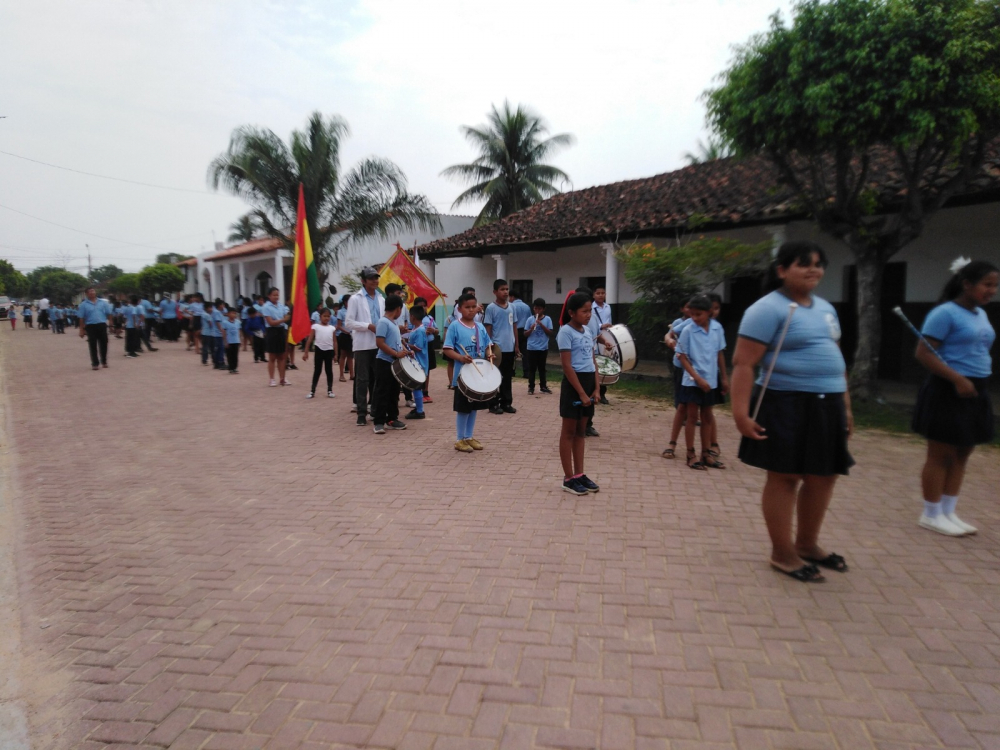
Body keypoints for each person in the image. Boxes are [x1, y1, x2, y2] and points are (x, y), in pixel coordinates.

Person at [732, 240, 853, 583]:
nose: (814, 270)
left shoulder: (827, 309)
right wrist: (740, 414)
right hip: (785, 402)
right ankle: (782, 553)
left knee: (824, 475)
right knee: (785, 477)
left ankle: (807, 543)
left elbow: (837, 358)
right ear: (782, 270)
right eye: (804, 264)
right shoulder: (766, 309)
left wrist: (845, 405)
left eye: (818, 263)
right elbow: (743, 364)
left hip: (827, 404)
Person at [911, 258, 998, 536]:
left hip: (976, 388)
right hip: (948, 389)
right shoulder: (944, 313)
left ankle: (948, 511)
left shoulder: (980, 314)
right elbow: (923, 353)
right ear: (966, 284)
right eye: (987, 284)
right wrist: (957, 379)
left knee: (963, 452)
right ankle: (931, 513)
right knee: (942, 454)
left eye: (995, 286)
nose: (992, 290)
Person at [675, 294, 729, 470]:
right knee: (692, 417)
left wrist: (724, 378)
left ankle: (706, 453)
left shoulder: (717, 329)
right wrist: (697, 378)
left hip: (711, 380)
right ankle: (690, 454)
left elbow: (720, 353)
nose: (695, 318)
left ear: (709, 313)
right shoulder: (688, 330)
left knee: (707, 416)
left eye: (699, 314)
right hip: (692, 381)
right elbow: (682, 357)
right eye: (692, 314)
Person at [557, 292, 601, 495]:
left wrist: (597, 388)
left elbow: (593, 361)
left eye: (590, 310)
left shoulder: (587, 331)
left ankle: (579, 474)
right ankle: (568, 478)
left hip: (588, 383)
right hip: (573, 387)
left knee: (581, 432)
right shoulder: (565, 332)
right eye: (584, 311)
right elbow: (567, 366)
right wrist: (582, 393)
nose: (588, 315)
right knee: (569, 432)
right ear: (572, 312)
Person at [444, 292, 492, 452]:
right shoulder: (454, 326)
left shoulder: (480, 327)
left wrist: (490, 353)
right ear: (459, 308)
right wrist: (460, 357)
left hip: (477, 374)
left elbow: (487, 345)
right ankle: (459, 439)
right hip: (462, 375)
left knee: (473, 407)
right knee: (463, 407)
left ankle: (469, 436)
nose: (471, 310)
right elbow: (447, 349)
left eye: (473, 307)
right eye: (467, 307)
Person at [345, 268, 385, 425]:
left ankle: (374, 409)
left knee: (377, 378)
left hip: (379, 343)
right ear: (363, 281)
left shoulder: (381, 299)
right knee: (362, 379)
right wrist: (368, 326)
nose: (375, 281)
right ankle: (361, 412)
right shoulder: (356, 299)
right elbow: (349, 322)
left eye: (376, 278)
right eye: (371, 278)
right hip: (362, 344)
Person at [371, 295, 409, 433]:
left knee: (393, 392)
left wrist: (405, 351)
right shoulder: (383, 322)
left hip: (395, 363)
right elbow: (380, 343)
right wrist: (396, 353)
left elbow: (397, 343)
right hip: (384, 362)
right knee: (382, 392)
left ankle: (392, 419)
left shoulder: (393, 324)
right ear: (398, 309)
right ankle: (379, 422)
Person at [483, 279, 518, 414]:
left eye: (507, 289)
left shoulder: (512, 307)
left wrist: (516, 346)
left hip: (509, 347)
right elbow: (488, 328)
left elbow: (514, 326)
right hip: (497, 348)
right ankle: (493, 403)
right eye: (502, 289)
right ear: (495, 292)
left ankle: (506, 402)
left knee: (507, 376)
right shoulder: (491, 308)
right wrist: (489, 347)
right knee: (495, 376)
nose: (505, 292)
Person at [303, 308, 337, 399]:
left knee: (329, 371)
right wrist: (306, 352)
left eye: (328, 316)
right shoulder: (315, 327)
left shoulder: (332, 328)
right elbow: (310, 339)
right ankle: (312, 391)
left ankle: (330, 390)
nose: (326, 318)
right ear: (320, 316)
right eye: (324, 316)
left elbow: (335, 342)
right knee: (317, 370)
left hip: (329, 350)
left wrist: (336, 354)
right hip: (319, 350)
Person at [261, 287, 291, 386]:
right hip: (272, 331)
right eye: (274, 295)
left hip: (281, 331)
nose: (276, 297)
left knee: (282, 356)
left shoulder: (281, 306)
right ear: (269, 296)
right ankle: (272, 379)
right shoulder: (266, 307)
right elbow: (271, 322)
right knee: (272, 356)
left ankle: (282, 378)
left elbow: (287, 316)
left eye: (277, 295)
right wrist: (283, 320)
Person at [78, 288, 113, 369]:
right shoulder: (83, 304)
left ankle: (104, 361)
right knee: (92, 344)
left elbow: (109, 313)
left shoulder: (102, 303)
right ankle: (95, 363)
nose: (92, 292)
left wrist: (111, 324)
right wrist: (81, 330)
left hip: (102, 325)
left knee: (104, 343)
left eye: (93, 291)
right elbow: (81, 318)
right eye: (90, 291)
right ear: (87, 293)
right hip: (90, 326)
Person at [523, 298, 552, 394]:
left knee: (542, 368)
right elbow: (525, 334)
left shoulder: (547, 319)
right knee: (532, 369)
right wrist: (531, 328)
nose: (537, 311)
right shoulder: (530, 319)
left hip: (543, 348)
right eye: (535, 309)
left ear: (543, 309)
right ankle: (531, 387)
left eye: (539, 309)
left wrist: (541, 325)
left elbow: (550, 332)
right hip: (531, 348)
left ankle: (543, 386)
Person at [406, 306, 430, 419]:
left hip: (419, 363)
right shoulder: (416, 329)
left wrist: (406, 345)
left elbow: (419, 347)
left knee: (417, 387)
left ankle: (420, 410)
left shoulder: (420, 330)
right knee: (415, 387)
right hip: (416, 362)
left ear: (412, 316)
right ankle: (418, 408)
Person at [591, 286, 613, 404]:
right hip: (597, 338)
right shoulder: (591, 308)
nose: (600, 295)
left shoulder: (608, 307)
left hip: (606, 339)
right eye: (598, 293)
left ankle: (602, 393)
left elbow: (610, 320)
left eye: (603, 293)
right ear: (594, 295)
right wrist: (601, 326)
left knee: (604, 366)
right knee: (596, 366)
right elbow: (592, 323)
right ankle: (594, 390)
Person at [335, 293, 354, 383]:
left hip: (351, 335)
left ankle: (352, 374)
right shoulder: (341, 312)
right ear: (345, 302)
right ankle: (341, 375)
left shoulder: (353, 311)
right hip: (344, 335)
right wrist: (347, 332)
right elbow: (339, 326)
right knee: (343, 355)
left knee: (350, 356)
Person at [222, 307, 243, 374]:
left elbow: (239, 332)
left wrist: (240, 340)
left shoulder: (238, 322)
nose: (234, 315)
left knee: (235, 355)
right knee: (229, 355)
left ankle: (235, 367)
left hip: (236, 341)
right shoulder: (225, 322)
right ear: (228, 314)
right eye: (232, 313)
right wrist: (225, 341)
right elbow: (224, 333)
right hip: (229, 341)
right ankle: (231, 367)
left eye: (235, 313)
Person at [200, 300, 221, 367]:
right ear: (207, 308)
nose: (211, 309)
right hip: (209, 333)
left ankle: (204, 360)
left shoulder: (202, 314)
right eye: (210, 308)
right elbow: (211, 324)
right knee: (211, 347)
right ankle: (213, 359)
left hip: (204, 332)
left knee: (205, 347)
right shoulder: (207, 315)